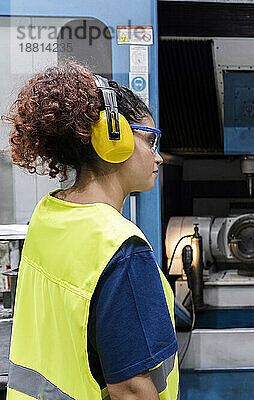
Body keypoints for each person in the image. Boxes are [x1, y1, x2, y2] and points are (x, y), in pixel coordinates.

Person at [5, 62, 179, 399]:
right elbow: (131, 390)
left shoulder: (49, 215)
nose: (158, 158)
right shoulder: (119, 246)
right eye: (150, 141)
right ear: (115, 138)